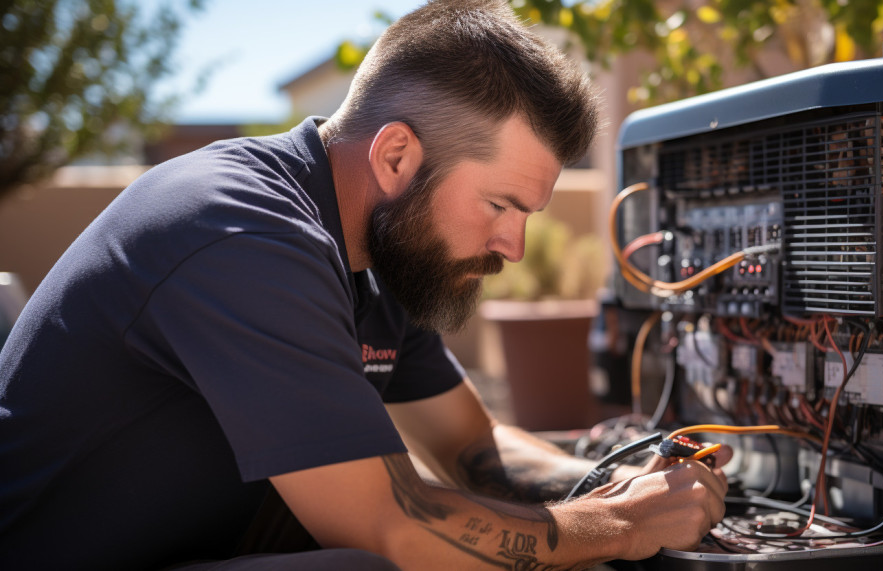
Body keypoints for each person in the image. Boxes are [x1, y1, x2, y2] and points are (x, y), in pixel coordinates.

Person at [0, 0, 731, 569]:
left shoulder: (382, 258)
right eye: (501, 205)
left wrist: (633, 480)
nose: (514, 243)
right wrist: (623, 524)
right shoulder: (241, 232)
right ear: (396, 155)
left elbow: (474, 448)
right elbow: (395, 531)